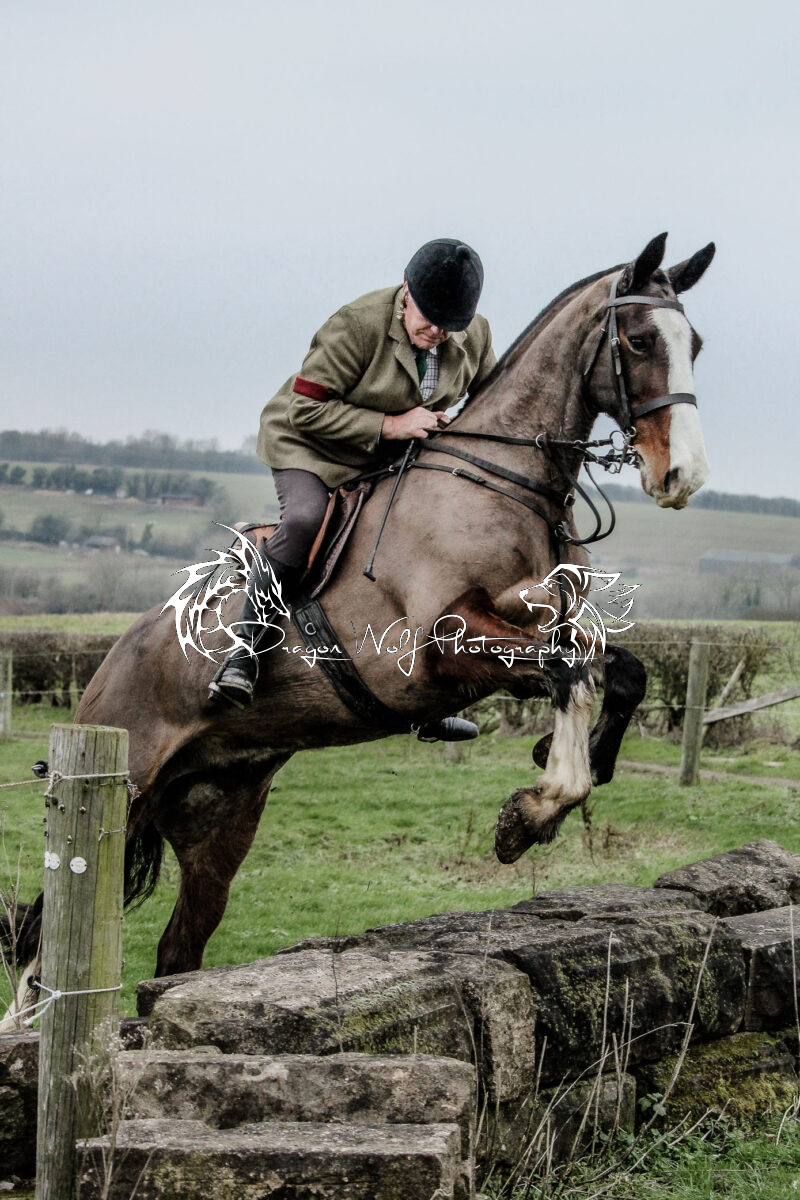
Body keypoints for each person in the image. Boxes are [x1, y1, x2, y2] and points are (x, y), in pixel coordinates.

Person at [209, 237, 496, 707]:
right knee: (306, 519)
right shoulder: (355, 325)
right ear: (407, 292)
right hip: (311, 445)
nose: (438, 332)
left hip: (389, 454)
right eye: (429, 319)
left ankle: (422, 698)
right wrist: (392, 424)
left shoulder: (474, 335)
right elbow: (304, 410)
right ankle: (244, 654)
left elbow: (490, 407)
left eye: (450, 325)